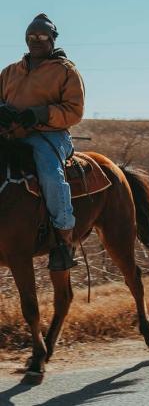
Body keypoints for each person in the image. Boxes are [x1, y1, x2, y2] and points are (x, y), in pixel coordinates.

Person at [0, 14, 85, 271]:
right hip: (11, 133)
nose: (36, 41)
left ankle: (63, 238)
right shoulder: (10, 71)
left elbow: (74, 110)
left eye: (42, 36)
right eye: (31, 37)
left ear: (52, 39)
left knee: (49, 173)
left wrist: (40, 114)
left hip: (50, 135)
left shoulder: (66, 71)